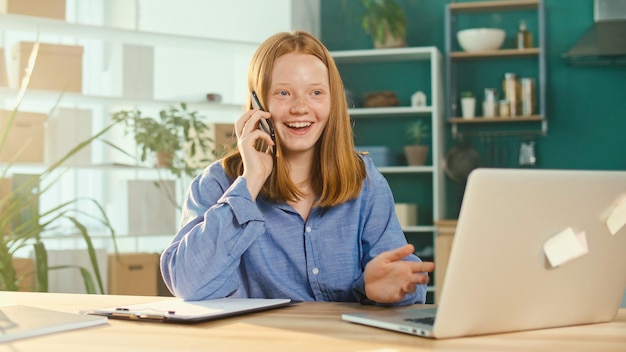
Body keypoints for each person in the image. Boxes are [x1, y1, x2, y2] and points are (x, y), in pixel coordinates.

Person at [160, 30, 434, 306]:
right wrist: (250, 181)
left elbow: (408, 285)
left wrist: (382, 289)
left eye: (316, 92)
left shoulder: (364, 179)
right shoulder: (218, 184)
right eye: (283, 93)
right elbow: (187, 285)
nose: (300, 108)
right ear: (257, 104)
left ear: (332, 100)